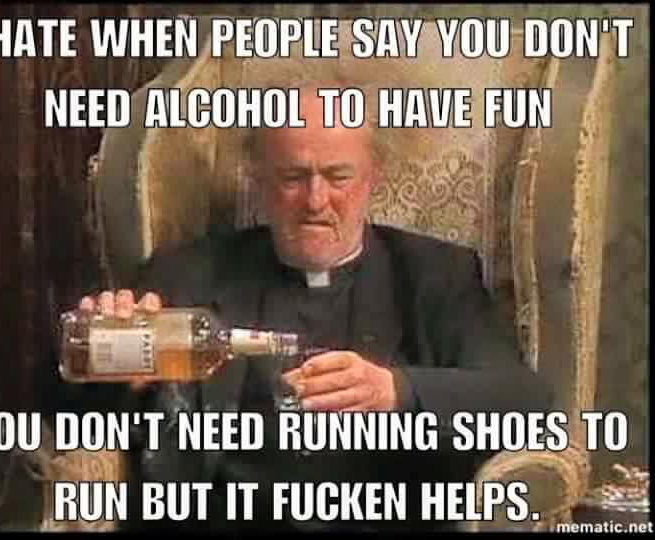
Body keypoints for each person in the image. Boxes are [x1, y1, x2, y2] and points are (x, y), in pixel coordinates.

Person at [75, 83, 552, 533]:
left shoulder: (435, 275)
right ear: (259, 179)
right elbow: (66, 407)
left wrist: (397, 392)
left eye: (338, 176)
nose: (316, 201)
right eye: (293, 177)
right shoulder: (186, 272)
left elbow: (525, 399)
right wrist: (99, 363)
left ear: (372, 177)